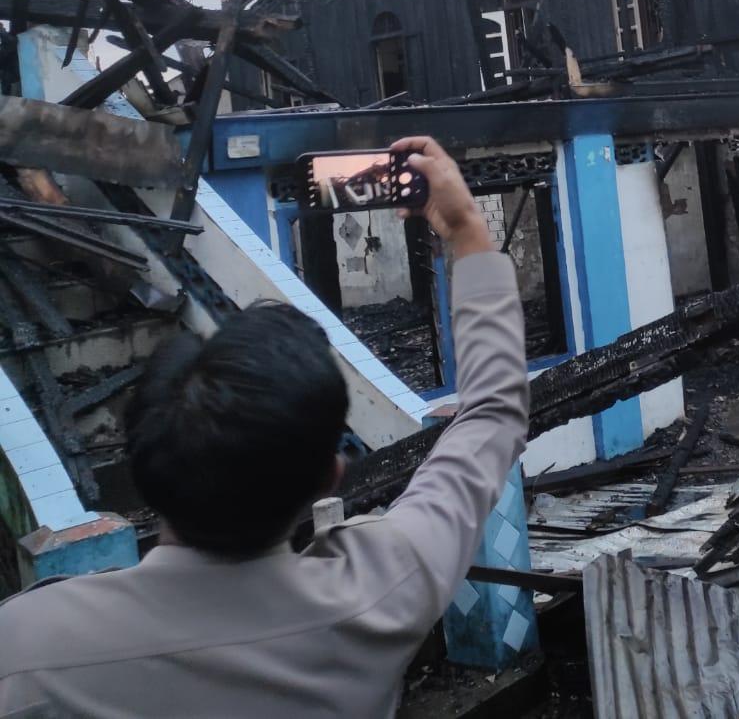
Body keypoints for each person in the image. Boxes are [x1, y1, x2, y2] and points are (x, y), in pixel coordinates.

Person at [0, 137, 528, 716]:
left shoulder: (28, 645)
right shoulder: (381, 591)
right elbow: (491, 416)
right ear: (330, 475)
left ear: (146, 466)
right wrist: (466, 229)